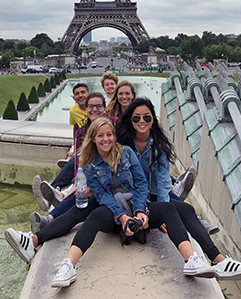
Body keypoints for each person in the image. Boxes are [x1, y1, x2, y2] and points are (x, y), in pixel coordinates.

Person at [50, 118, 218, 287]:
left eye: (109, 134)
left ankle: (191, 260)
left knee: (168, 208)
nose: (106, 139)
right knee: (95, 215)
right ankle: (68, 265)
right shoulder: (90, 166)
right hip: (115, 213)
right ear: (93, 138)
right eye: (100, 135)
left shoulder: (127, 153)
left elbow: (141, 183)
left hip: (137, 206)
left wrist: (140, 211)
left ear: (114, 136)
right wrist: (122, 217)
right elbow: (103, 196)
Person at [115, 97, 241, 281]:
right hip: (130, 200)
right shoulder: (121, 145)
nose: (142, 122)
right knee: (173, 208)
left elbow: (163, 182)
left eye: (147, 118)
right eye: (136, 118)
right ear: (130, 120)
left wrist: (162, 204)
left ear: (153, 121)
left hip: (151, 196)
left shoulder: (158, 146)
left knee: (185, 208)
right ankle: (208, 257)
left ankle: (217, 260)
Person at [29, 92, 114, 230]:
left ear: (104, 108)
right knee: (80, 191)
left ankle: (54, 204)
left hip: (111, 174)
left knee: (83, 195)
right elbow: (80, 160)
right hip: (92, 173)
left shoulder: (114, 123)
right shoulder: (81, 132)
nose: (94, 109)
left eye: (98, 106)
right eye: (91, 106)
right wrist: (77, 182)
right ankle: (48, 218)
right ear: (85, 109)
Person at [32, 83, 90, 211]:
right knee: (75, 160)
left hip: (95, 148)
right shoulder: (74, 110)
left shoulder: (100, 109)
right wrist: (75, 147)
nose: (80, 95)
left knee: (76, 162)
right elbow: (76, 128)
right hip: (86, 147)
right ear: (73, 98)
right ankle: (52, 192)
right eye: (77, 93)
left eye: (83, 92)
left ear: (88, 94)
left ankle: (52, 191)